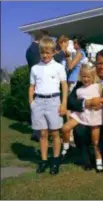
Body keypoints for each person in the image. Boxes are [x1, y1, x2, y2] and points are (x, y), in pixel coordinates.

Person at [66, 49, 103, 170]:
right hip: (86, 120)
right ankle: (86, 159)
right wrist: (87, 103)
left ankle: (102, 155)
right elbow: (70, 102)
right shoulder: (84, 80)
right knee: (79, 131)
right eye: (99, 63)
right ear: (95, 63)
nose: (102, 66)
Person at [29, 36, 68, 175]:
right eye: (43, 53)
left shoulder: (58, 67)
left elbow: (64, 85)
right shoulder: (35, 68)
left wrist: (63, 103)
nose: (45, 55)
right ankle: (44, 160)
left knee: (55, 132)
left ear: (53, 52)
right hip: (38, 102)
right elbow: (32, 86)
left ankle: (55, 160)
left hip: (54, 101)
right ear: (39, 53)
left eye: (48, 52)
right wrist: (31, 102)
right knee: (43, 133)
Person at [26, 31, 69, 142]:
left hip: (47, 92)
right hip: (40, 91)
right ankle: (37, 135)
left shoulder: (30, 49)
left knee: (49, 127)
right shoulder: (35, 50)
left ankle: (41, 135)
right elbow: (45, 62)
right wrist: (63, 52)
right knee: (43, 127)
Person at [62, 64, 103, 173]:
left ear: (93, 77)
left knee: (95, 142)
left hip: (94, 116)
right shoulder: (78, 89)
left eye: (88, 77)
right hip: (80, 115)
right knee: (65, 128)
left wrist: (100, 104)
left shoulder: (98, 86)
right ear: (80, 76)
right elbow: (72, 102)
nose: (85, 79)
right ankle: (66, 148)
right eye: (83, 76)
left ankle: (99, 163)